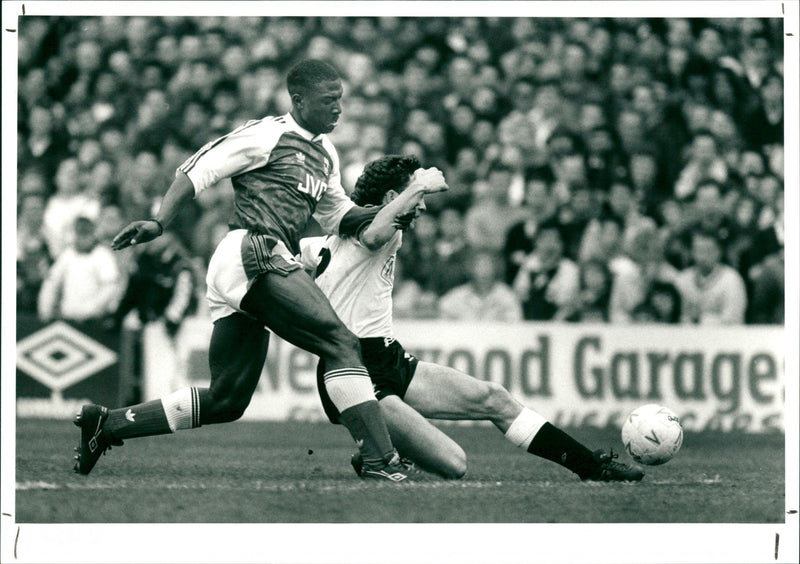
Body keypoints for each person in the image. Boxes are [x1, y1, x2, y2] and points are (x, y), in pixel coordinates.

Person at [73, 59, 446, 482]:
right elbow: (198, 169)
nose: (339, 108)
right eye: (329, 101)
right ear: (299, 100)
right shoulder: (267, 133)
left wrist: (394, 207)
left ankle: (107, 424)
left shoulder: (326, 154)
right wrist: (160, 222)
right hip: (251, 250)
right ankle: (381, 458)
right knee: (341, 340)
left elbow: (339, 215)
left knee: (227, 399)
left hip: (255, 265)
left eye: (341, 99)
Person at [300, 154, 643, 482]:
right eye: (416, 196)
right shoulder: (383, 229)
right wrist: (420, 185)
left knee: (493, 398)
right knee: (454, 464)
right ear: (393, 197)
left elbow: (305, 255)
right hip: (352, 371)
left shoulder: (330, 241)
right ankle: (378, 453)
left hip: (386, 358)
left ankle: (591, 466)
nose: (422, 206)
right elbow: (374, 234)